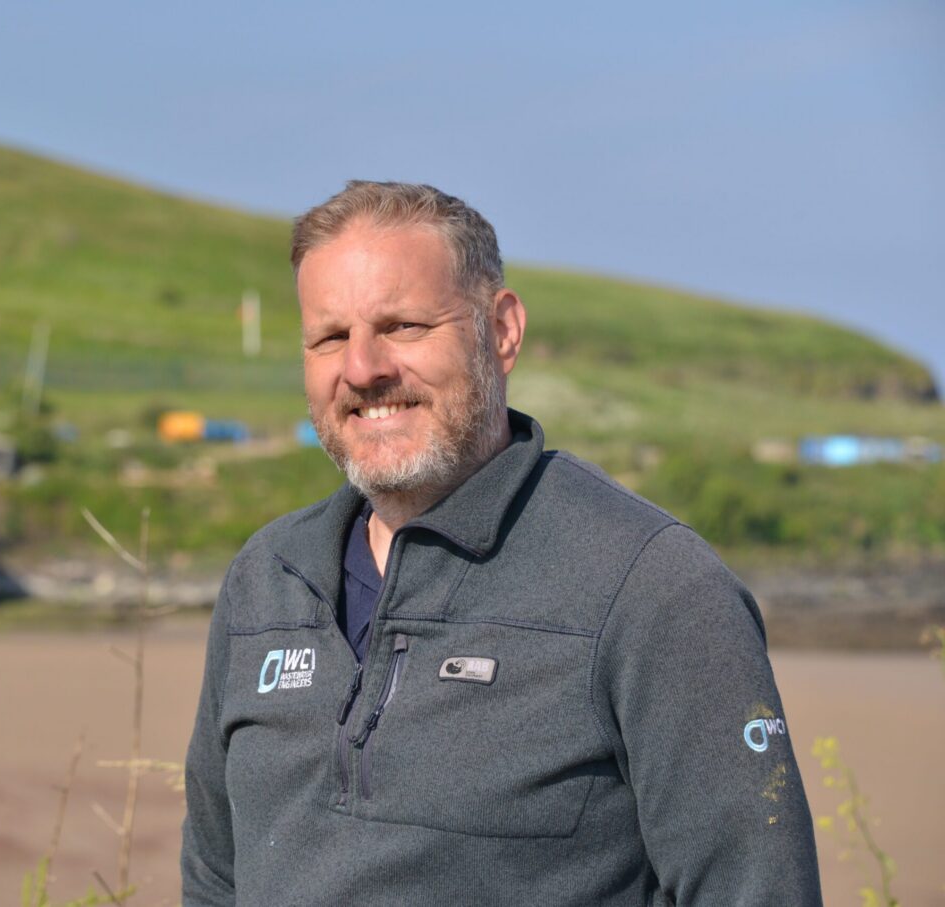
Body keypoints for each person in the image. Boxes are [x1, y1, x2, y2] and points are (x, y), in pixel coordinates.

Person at [181, 181, 822, 906]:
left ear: (503, 329)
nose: (362, 369)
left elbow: (756, 889)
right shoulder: (265, 581)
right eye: (331, 337)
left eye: (403, 326)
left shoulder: (654, 588)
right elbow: (214, 877)